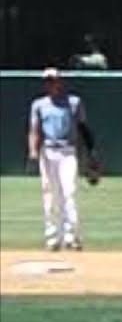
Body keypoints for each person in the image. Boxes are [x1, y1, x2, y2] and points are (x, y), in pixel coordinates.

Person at [28, 67, 94, 251]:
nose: (50, 84)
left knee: (69, 192)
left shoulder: (73, 102)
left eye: (53, 80)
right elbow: (34, 129)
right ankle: (51, 238)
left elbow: (83, 129)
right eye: (47, 81)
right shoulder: (39, 104)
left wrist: (91, 153)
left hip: (67, 151)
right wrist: (33, 150)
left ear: (60, 81)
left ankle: (71, 236)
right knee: (49, 194)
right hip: (48, 151)